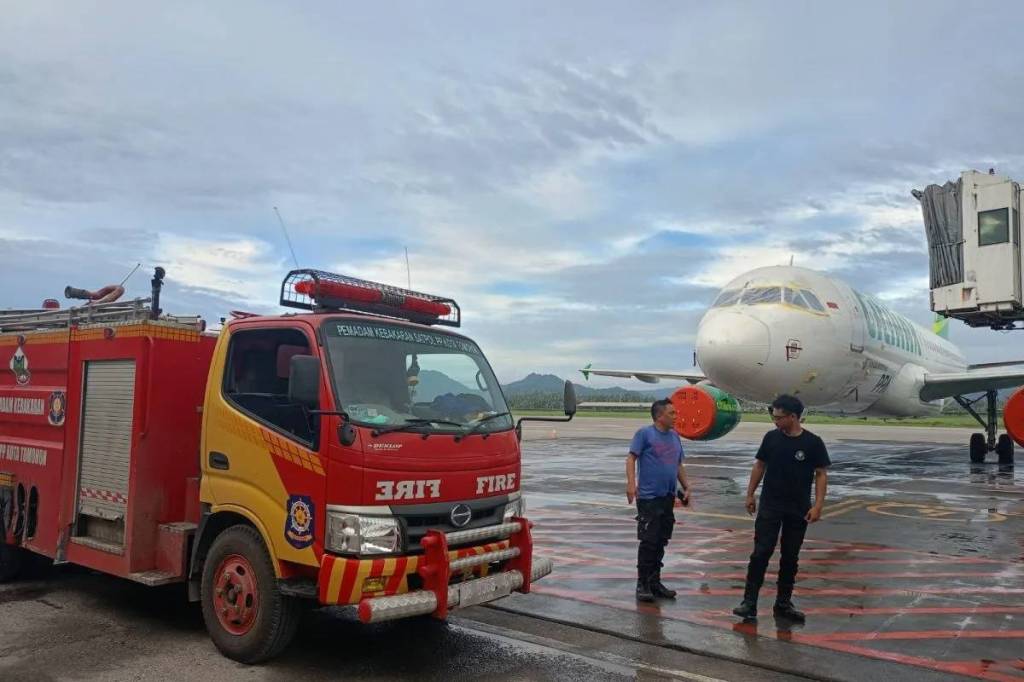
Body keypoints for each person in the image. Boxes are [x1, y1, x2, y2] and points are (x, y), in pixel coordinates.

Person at [733, 394, 829, 622]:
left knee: (790, 556)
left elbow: (821, 474)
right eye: (774, 417)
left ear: (793, 417)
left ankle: (783, 604)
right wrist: (750, 494)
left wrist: (818, 505)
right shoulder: (771, 438)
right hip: (770, 506)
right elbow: (760, 465)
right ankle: (749, 602)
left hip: (798, 508)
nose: (775, 421)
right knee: (760, 553)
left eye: (778, 417)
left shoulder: (813, 443)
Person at [626, 399, 691, 602]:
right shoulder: (645, 434)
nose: (676, 416)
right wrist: (631, 484)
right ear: (659, 416)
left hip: (667, 497)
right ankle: (642, 584)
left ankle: (655, 582)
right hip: (649, 498)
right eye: (672, 413)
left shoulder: (674, 436)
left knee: (661, 540)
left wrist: (687, 486)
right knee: (649, 541)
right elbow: (631, 458)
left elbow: (678, 464)